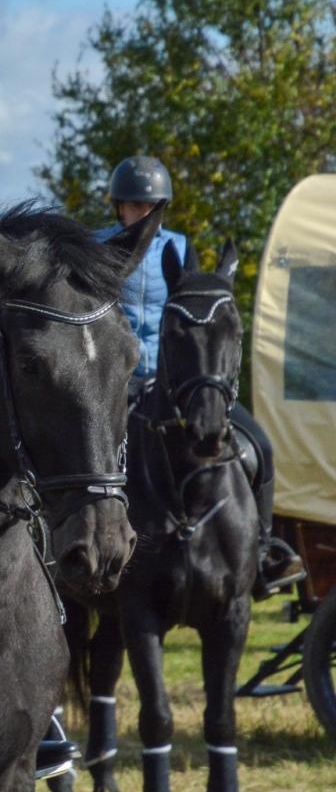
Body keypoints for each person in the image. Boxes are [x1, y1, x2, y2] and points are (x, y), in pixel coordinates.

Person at [97, 155, 303, 598]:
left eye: (149, 206)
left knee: (260, 445)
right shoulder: (98, 247)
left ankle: (264, 550)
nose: (141, 214)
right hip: (115, 384)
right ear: (119, 207)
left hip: (178, 384)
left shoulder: (178, 246)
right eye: (133, 206)